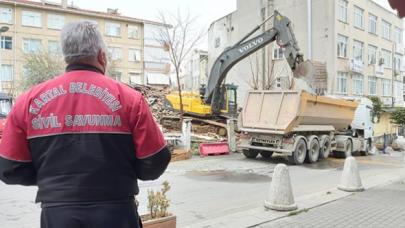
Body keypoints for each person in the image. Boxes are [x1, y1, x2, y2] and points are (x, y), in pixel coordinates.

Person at [0, 21, 171, 228]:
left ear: (66, 55)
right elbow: (155, 162)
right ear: (101, 56)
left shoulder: (28, 102)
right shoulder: (130, 99)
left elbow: (9, 168)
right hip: (117, 213)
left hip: (58, 215)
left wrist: (52, 179)